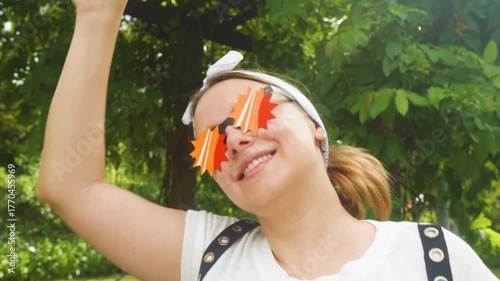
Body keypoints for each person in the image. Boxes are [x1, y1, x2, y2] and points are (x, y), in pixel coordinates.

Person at [35, 1, 498, 281]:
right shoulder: (209, 255)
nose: (233, 140)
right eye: (212, 143)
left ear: (316, 127)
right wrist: (98, 13)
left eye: (251, 112)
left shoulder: (435, 255)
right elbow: (69, 187)